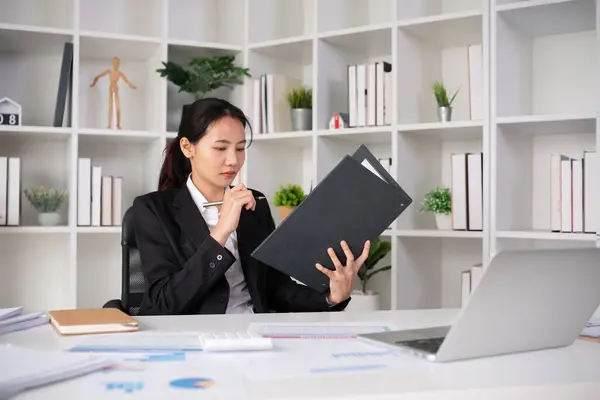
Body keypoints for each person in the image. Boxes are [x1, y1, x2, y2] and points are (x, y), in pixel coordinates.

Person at [131, 97, 370, 315]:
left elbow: (275, 289)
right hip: (194, 341)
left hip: (254, 333)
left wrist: (331, 297)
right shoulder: (153, 210)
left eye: (240, 148)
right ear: (187, 147)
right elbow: (163, 304)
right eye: (220, 148)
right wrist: (220, 233)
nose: (233, 160)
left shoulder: (254, 204)